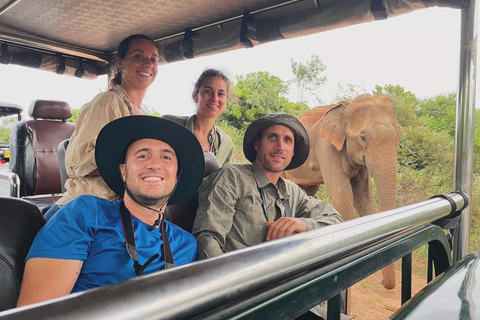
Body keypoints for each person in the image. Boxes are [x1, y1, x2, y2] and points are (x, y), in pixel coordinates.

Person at [17, 116, 205, 307]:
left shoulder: (187, 245)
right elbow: (37, 311)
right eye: (142, 155)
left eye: (166, 157)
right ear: (123, 172)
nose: (154, 165)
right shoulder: (86, 213)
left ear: (176, 176)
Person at [192, 113, 343, 259]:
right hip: (239, 278)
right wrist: (228, 281)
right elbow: (208, 239)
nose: (280, 146)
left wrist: (302, 224)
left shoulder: (293, 191)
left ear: (293, 152)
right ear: (257, 144)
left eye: (287, 140)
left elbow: (335, 220)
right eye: (272, 137)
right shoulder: (232, 177)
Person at [44, 34, 159, 221]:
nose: (148, 64)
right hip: (83, 212)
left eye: (153, 59)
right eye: (139, 56)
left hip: (116, 212)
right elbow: (78, 162)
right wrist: (132, 168)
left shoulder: (142, 114)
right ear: (120, 63)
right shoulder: (107, 102)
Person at [163, 68, 234, 166]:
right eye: (208, 91)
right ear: (195, 96)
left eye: (221, 94)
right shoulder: (169, 124)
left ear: (226, 101)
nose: (215, 98)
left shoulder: (225, 143)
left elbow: (223, 179)